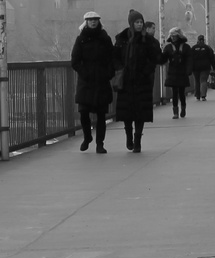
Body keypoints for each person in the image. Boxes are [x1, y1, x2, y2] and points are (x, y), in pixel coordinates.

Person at [114, 9, 164, 153]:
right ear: (131, 23)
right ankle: (129, 136)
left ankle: (137, 140)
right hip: (126, 81)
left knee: (140, 112)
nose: (139, 25)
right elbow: (115, 57)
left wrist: (145, 71)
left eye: (141, 22)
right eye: (137, 22)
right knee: (127, 112)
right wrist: (119, 69)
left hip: (142, 81)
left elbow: (153, 58)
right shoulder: (121, 39)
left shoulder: (148, 41)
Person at [70, 10, 118, 154]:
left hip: (101, 81)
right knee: (83, 112)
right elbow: (75, 61)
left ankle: (100, 144)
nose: (93, 22)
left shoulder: (105, 38)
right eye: (90, 20)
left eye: (95, 20)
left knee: (101, 115)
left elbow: (112, 58)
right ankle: (87, 137)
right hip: (86, 82)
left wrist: (109, 73)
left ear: (99, 21)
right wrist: (85, 73)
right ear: (86, 22)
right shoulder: (81, 39)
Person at [163, 29, 193, 118]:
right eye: (171, 36)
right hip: (172, 73)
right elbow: (163, 58)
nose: (172, 37)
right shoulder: (168, 48)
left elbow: (190, 60)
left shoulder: (186, 47)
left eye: (174, 36)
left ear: (178, 36)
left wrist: (189, 70)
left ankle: (183, 108)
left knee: (181, 92)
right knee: (174, 93)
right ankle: (175, 112)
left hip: (182, 72)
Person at [190, 34, 215, 101]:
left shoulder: (193, 48)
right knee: (203, 80)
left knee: (197, 80)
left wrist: (189, 67)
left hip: (195, 68)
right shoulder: (208, 48)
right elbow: (212, 58)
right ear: (203, 40)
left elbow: (190, 58)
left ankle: (197, 95)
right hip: (205, 67)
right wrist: (214, 67)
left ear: (197, 40)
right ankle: (203, 96)